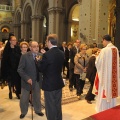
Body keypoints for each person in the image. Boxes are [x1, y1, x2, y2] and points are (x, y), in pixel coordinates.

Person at [37, 34, 64, 120]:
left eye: (46, 42)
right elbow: (54, 63)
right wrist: (45, 56)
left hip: (49, 84)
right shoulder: (61, 53)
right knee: (57, 104)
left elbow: (41, 69)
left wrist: (38, 61)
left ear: (49, 42)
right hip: (58, 83)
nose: (46, 43)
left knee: (50, 106)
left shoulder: (47, 55)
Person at [17, 41, 44, 119]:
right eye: (34, 46)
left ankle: (38, 110)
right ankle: (23, 112)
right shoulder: (25, 56)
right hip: (27, 81)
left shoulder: (40, 55)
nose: (36, 48)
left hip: (37, 81)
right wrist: (27, 78)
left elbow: (43, 68)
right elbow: (20, 69)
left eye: (37, 46)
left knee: (37, 97)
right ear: (30, 48)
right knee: (24, 98)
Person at [95, 34, 120, 112]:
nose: (102, 43)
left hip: (105, 76)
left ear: (105, 40)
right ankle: (111, 106)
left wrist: (96, 57)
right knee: (111, 90)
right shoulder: (116, 49)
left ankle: (103, 108)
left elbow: (98, 63)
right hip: (113, 76)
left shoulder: (104, 50)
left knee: (104, 89)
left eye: (102, 41)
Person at [1, 34, 21, 99]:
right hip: (9, 68)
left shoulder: (17, 48)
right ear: (10, 41)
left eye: (15, 40)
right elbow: (5, 59)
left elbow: (20, 56)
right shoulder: (7, 49)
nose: (15, 41)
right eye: (13, 40)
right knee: (10, 80)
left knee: (17, 81)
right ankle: (10, 90)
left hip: (17, 67)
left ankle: (18, 92)